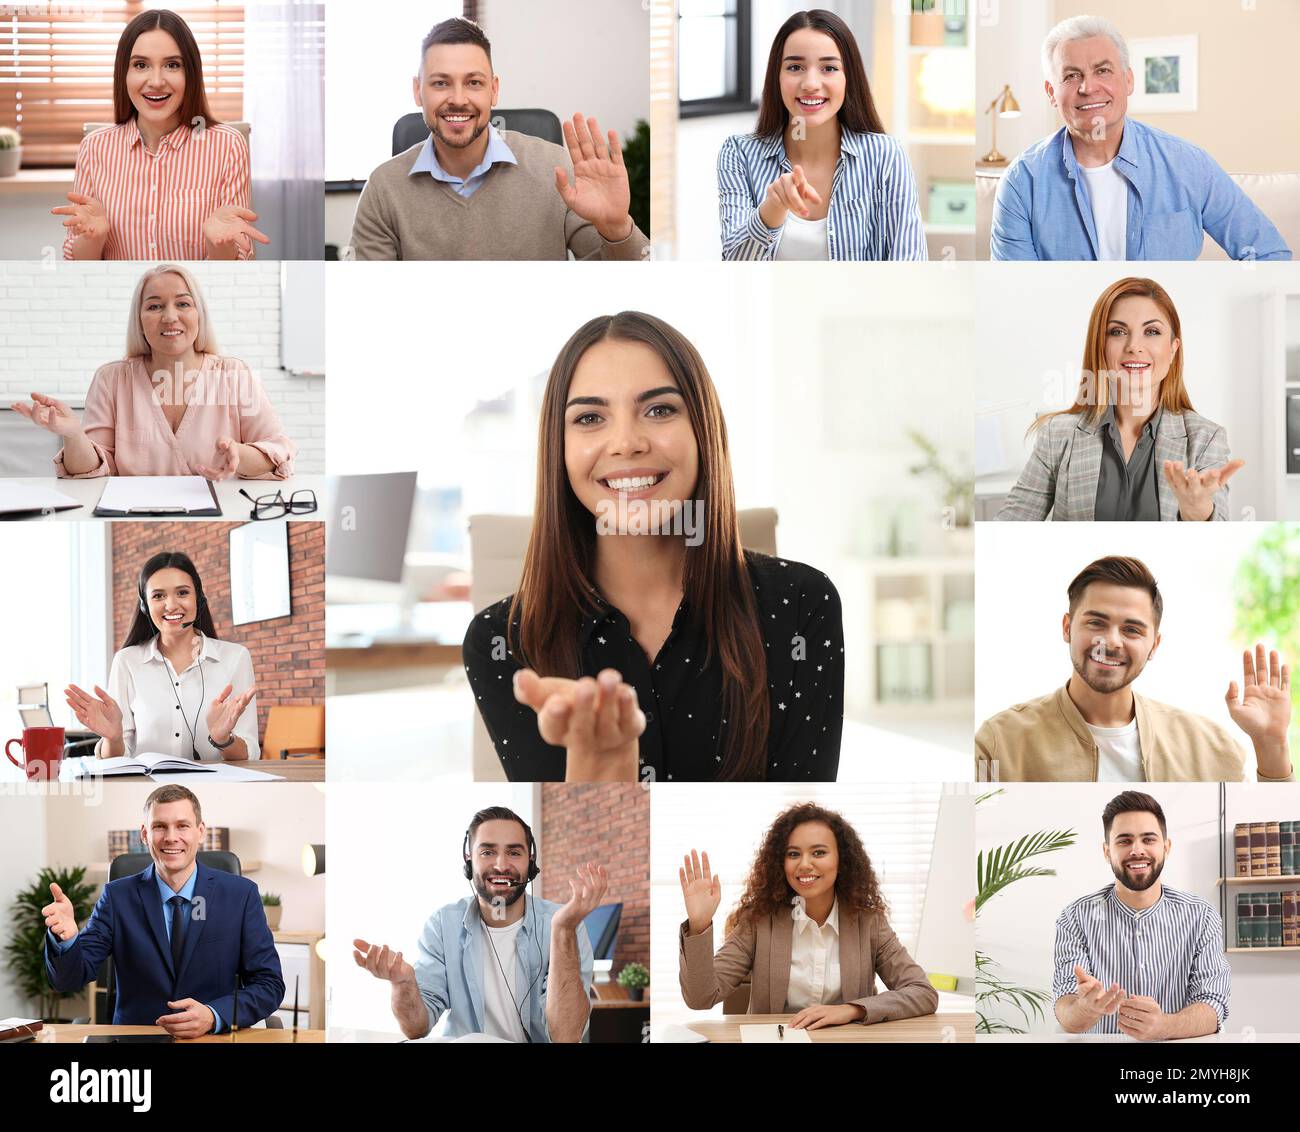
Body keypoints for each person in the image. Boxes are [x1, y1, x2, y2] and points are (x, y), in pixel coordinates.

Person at [461, 311, 845, 784]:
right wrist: (599, 762)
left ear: (703, 430)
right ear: (557, 449)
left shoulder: (804, 604)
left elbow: (795, 811)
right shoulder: (501, 642)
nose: (625, 442)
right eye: (589, 418)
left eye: (660, 410)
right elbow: (575, 845)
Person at [991, 15, 1290, 261]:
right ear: (1050, 94)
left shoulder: (1188, 165)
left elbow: (1270, 254)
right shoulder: (1021, 182)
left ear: (1129, 80)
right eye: (1071, 76)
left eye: (1103, 70)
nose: (1088, 87)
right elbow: (1016, 291)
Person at [347, 17, 647, 261]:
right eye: (440, 83)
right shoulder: (383, 189)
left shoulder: (556, 169)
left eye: (474, 82)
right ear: (417, 91)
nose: (458, 99)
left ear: (494, 90)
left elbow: (632, 290)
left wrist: (617, 228)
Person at [975, 556, 1293, 782]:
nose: (1111, 642)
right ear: (1067, 627)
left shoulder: (1212, 748)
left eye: (1131, 630)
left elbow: (1262, 832)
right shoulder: (998, 743)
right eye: (1096, 623)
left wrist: (1271, 744)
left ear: (1154, 645)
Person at [10, 263, 296, 480]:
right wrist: (73, 435)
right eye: (155, 306)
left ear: (200, 314)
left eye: (183, 303)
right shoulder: (111, 380)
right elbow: (92, 472)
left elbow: (279, 452)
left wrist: (239, 454)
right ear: (140, 320)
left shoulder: (235, 374)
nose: (170, 317)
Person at [43, 785, 285, 1033]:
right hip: (137, 1043)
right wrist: (67, 938)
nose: (171, 837)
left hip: (213, 1039)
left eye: (182, 825)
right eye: (160, 826)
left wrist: (214, 1015)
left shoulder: (241, 895)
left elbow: (269, 985)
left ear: (200, 832)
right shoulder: (117, 897)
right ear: (145, 834)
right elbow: (69, 979)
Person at [997, 277, 1242, 521]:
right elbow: (1008, 526)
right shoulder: (1057, 435)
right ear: (1099, 346)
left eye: (1152, 332)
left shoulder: (1206, 438)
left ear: (1173, 349)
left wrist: (1197, 511)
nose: (1134, 346)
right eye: (1118, 331)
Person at [678, 803, 938, 1028]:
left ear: (842, 860)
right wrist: (699, 925)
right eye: (793, 854)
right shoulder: (759, 921)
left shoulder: (869, 922)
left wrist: (851, 1010)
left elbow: (923, 993)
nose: (804, 864)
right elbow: (700, 997)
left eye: (819, 852)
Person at [352, 806, 599, 1043]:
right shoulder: (442, 925)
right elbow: (416, 1028)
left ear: (530, 862)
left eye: (514, 852)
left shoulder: (564, 926)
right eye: (487, 852)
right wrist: (403, 984)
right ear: (469, 861)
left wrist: (563, 931)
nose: (501, 865)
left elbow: (567, 1036)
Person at [52, 8, 268, 261]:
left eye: (172, 65)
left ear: (191, 74)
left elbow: (238, 267)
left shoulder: (227, 145)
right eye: (141, 65)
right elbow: (78, 268)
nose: (155, 81)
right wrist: (92, 238)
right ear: (125, 73)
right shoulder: (94, 147)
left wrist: (218, 245)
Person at [717, 9, 925, 261]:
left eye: (828, 68)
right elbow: (733, 267)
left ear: (849, 77)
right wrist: (771, 211)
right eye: (795, 67)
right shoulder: (739, 154)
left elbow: (910, 270)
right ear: (777, 77)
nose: (811, 83)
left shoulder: (885, 156)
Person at [1053, 791, 1229, 1039]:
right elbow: (1066, 1012)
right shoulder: (1075, 918)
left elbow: (1213, 1006)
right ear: (1106, 851)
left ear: (1166, 847)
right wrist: (1084, 1008)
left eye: (1148, 839)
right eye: (1124, 841)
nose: (1137, 850)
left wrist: (1164, 1026)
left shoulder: (1202, 916)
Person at [64, 551, 260, 763]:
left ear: (199, 599)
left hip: (216, 791)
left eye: (182, 593)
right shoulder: (127, 661)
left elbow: (249, 756)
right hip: (145, 792)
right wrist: (113, 738)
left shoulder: (235, 657)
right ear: (145, 606)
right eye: (158, 596)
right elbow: (118, 759)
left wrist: (223, 739)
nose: (171, 605)